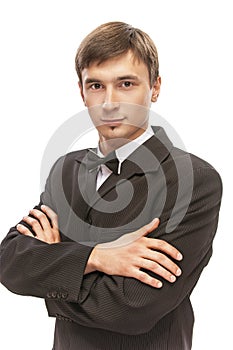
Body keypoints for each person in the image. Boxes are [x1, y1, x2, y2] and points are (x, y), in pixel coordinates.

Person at [0, 21, 222, 350]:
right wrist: (99, 258)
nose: (109, 102)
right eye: (96, 86)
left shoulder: (194, 180)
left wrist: (50, 270)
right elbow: (9, 261)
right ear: (82, 92)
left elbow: (131, 309)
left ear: (155, 87)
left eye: (126, 83)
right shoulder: (66, 170)